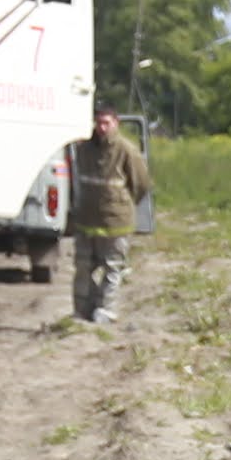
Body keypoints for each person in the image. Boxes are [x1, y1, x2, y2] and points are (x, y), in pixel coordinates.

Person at [68, 107, 150, 325]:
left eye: (107, 123)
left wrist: (122, 205)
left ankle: (105, 310)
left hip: (116, 223)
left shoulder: (126, 150)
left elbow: (141, 184)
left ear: (116, 124)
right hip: (86, 221)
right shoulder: (84, 149)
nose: (102, 128)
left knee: (112, 268)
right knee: (82, 267)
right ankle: (82, 310)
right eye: (99, 123)